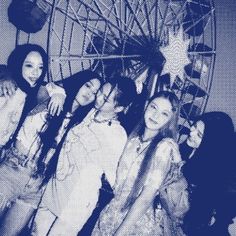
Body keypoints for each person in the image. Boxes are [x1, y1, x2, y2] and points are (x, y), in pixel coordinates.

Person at [31, 76, 137, 236]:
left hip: (76, 204)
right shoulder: (87, 111)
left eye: (106, 99)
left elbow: (117, 178)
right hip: (53, 190)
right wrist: (59, 93)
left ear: (119, 108)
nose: (98, 97)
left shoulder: (117, 135)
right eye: (100, 91)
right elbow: (55, 87)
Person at [0, 70, 102, 235]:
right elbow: (25, 79)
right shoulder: (48, 97)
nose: (90, 93)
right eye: (87, 85)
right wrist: (59, 92)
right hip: (12, 169)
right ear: (78, 82)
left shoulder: (80, 123)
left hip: (37, 185)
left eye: (95, 92)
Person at [92, 91, 184, 236]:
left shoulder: (164, 147)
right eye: (154, 107)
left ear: (170, 120)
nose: (155, 116)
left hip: (135, 225)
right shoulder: (133, 140)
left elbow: (146, 197)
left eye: (164, 114)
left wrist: (120, 233)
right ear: (146, 105)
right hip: (110, 215)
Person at [0, 44, 66, 149]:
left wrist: (59, 93)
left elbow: (52, 85)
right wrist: (5, 75)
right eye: (29, 65)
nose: (35, 73)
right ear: (19, 63)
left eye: (40, 67)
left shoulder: (32, 91)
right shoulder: (6, 85)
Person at [179, 111, 235, 236]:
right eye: (194, 127)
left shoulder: (214, 176)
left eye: (199, 135)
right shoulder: (187, 149)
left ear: (211, 144)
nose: (191, 132)